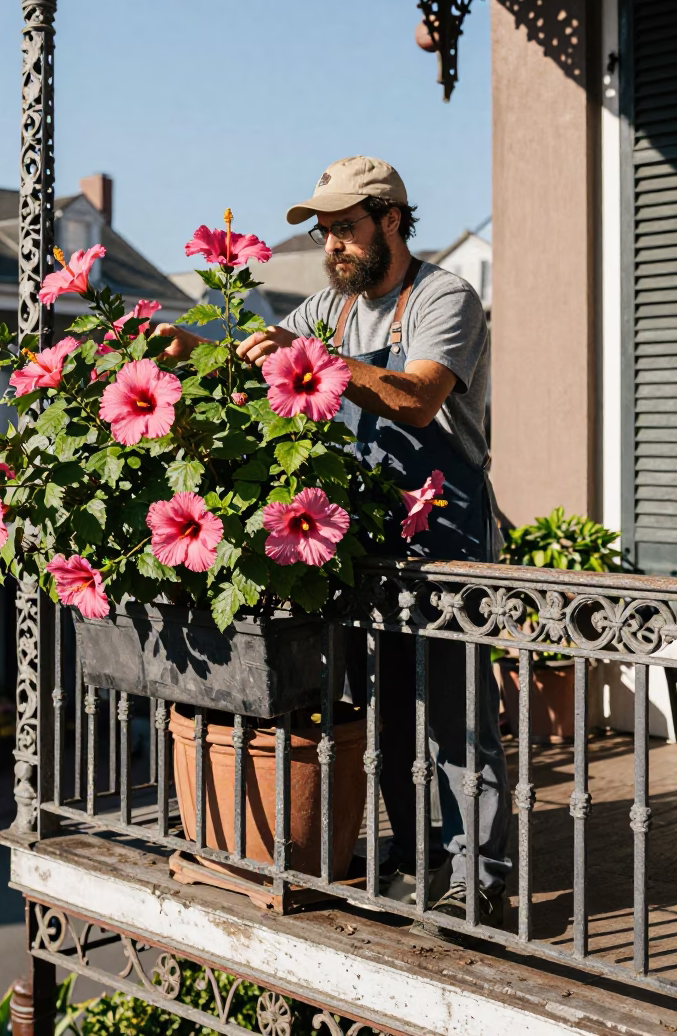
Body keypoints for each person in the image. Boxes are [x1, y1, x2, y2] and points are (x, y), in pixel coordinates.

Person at [159, 155, 511, 928]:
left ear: (390, 218)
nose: (334, 247)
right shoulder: (331, 308)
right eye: (325, 234)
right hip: (359, 536)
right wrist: (189, 344)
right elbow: (256, 357)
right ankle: (413, 855)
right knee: (384, 706)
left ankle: (477, 872)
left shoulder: (442, 298)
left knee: (455, 709)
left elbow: (417, 400)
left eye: (346, 229)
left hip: (443, 527)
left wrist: (316, 361)